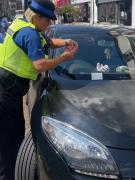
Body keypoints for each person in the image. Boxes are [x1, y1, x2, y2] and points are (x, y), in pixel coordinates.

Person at [0, 0, 78, 179]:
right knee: (9, 143)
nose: (50, 24)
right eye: (48, 20)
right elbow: (40, 65)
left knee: (11, 136)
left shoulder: (22, 25)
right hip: (5, 93)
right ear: (36, 17)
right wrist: (64, 57)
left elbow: (48, 43)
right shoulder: (30, 34)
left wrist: (65, 41)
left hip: (7, 88)